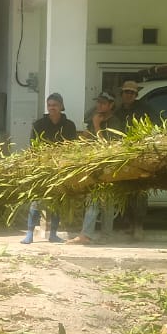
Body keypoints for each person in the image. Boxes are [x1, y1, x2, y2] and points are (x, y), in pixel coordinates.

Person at [21, 91, 77, 244]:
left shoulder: (69, 125)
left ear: (61, 106)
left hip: (60, 168)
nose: (52, 108)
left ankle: (53, 234)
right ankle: (30, 234)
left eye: (55, 105)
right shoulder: (39, 125)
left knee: (57, 201)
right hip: (42, 167)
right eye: (50, 105)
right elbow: (33, 147)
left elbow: (73, 147)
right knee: (37, 200)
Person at [71, 91, 118, 244]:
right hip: (95, 165)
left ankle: (87, 235)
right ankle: (106, 236)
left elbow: (108, 147)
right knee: (103, 200)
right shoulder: (95, 118)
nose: (99, 105)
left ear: (111, 105)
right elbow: (87, 138)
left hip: (108, 166)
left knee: (99, 199)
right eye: (98, 102)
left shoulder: (115, 123)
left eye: (103, 103)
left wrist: (97, 126)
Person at [113, 80, 155, 238]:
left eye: (131, 93)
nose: (128, 95)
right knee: (125, 191)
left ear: (136, 95)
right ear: (122, 94)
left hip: (140, 154)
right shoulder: (117, 112)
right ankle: (129, 224)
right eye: (126, 92)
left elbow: (155, 126)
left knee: (140, 191)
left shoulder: (145, 110)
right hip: (123, 156)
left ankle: (139, 226)